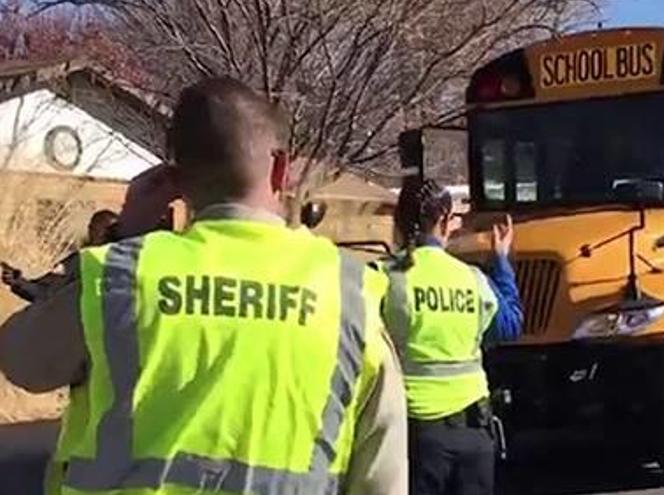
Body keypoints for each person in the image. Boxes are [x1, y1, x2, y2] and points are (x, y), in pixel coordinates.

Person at [0, 77, 407, 495]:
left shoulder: (121, 275)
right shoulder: (347, 289)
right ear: (281, 168)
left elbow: (21, 362)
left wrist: (123, 233)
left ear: (177, 176)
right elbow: (383, 470)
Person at [382, 177, 523, 495]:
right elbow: (510, 325)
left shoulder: (384, 279)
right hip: (474, 436)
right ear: (445, 220)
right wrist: (501, 261)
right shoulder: (472, 279)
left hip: (414, 435)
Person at [1, 209, 118, 302]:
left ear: (93, 231)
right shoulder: (128, 261)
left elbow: (45, 293)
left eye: (93, 228)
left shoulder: (85, 259)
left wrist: (18, 282)